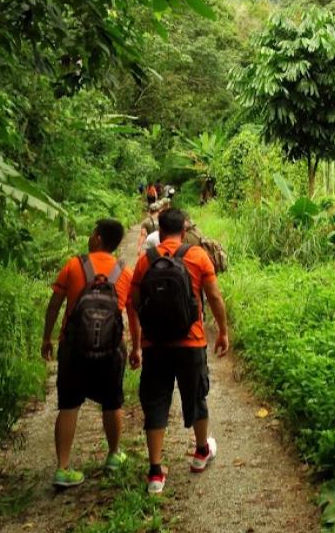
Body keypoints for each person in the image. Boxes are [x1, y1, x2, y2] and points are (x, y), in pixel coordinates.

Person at [130, 208, 229, 494]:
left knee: (156, 402)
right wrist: (222, 330)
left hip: (154, 345)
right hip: (191, 342)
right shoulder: (197, 256)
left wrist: (149, 330)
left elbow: (136, 302)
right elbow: (214, 296)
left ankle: (155, 473)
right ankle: (200, 453)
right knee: (196, 394)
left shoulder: (145, 261)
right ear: (184, 231)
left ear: (159, 231)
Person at [41, 218, 141, 488]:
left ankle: (62, 468)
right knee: (112, 401)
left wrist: (47, 338)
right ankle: (113, 455)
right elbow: (133, 316)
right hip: (110, 348)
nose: (90, 236)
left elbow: (54, 305)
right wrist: (137, 348)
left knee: (69, 404)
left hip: (73, 347)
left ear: (98, 238)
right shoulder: (124, 272)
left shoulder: (75, 265)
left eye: (92, 232)